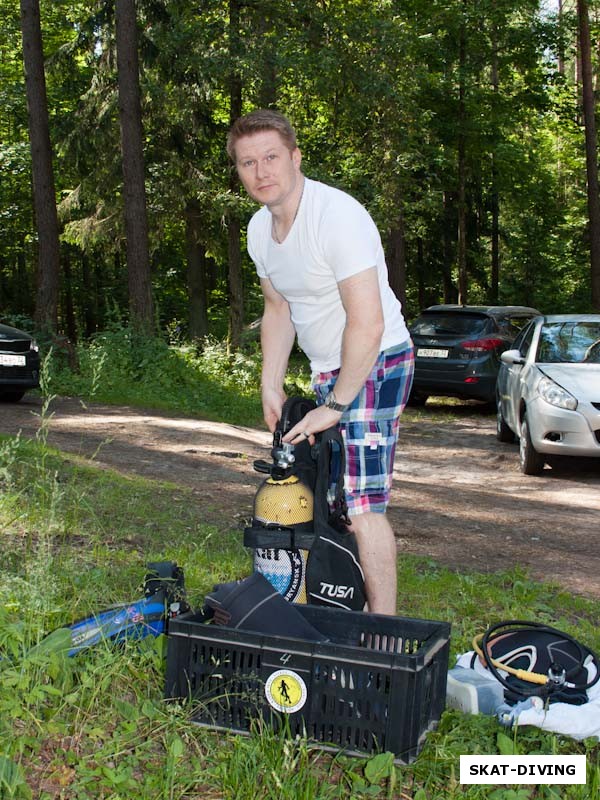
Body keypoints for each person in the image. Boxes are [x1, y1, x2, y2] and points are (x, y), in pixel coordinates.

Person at [227, 109, 414, 615]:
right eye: (248, 163)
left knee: (360, 504)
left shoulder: (337, 216)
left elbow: (368, 323)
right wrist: (270, 384)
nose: (262, 171)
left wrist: (336, 402)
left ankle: (382, 633)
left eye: (271, 157)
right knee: (328, 499)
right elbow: (278, 307)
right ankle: (339, 606)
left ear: (295, 157)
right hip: (331, 368)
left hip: (378, 362)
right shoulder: (259, 231)